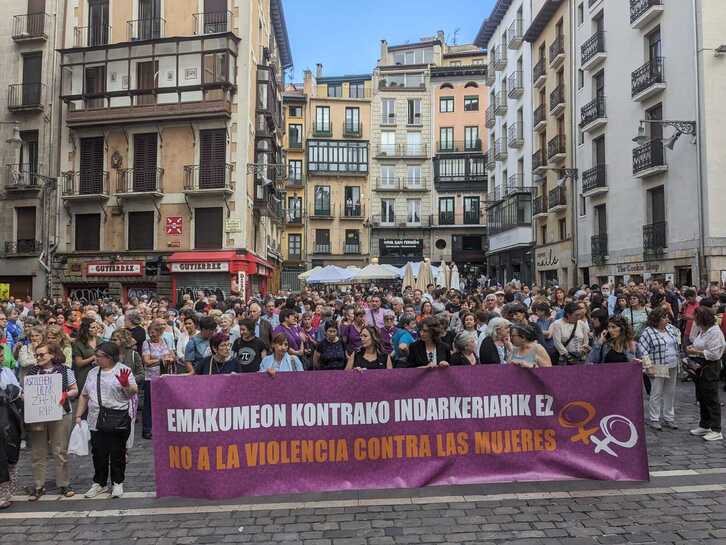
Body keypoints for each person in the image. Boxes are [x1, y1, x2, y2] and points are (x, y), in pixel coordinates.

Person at [76, 342, 138, 499]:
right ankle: (100, 483)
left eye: (99, 356)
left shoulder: (124, 370)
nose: (95, 359)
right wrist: (78, 415)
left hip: (118, 416)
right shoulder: (93, 373)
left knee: (117, 452)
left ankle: (117, 482)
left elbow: (132, 392)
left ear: (109, 357)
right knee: (98, 453)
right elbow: (84, 395)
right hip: (96, 418)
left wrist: (125, 385)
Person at [26, 343, 79, 500]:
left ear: (52, 355)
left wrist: (66, 394)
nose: (39, 358)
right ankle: (38, 485)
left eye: (42, 354)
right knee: (38, 451)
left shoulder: (65, 370)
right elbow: (27, 390)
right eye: (37, 355)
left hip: (60, 413)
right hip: (38, 415)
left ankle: (64, 483)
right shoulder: (32, 371)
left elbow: (75, 389)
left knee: (60, 450)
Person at [638, 307, 681, 431]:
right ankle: (654, 418)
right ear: (656, 319)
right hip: (658, 364)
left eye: (667, 317)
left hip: (672, 364)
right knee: (656, 392)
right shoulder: (648, 332)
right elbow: (643, 350)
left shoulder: (671, 329)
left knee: (670, 392)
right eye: (664, 317)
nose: (667, 319)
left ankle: (669, 417)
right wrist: (648, 366)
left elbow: (677, 340)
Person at [688, 306, 726, 441]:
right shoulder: (703, 331)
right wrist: (693, 348)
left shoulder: (714, 332)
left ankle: (716, 429)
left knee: (711, 397)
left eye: (696, 317)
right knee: (702, 396)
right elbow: (700, 344)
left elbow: (714, 354)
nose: (694, 319)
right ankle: (705, 424)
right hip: (700, 366)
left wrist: (696, 352)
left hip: (710, 367)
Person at [140, 323, 174, 439]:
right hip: (151, 378)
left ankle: (162, 427)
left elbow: (171, 355)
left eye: (154, 333)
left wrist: (168, 359)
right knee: (149, 404)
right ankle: (147, 429)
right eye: (150, 333)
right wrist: (161, 359)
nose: (151, 335)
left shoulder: (164, 341)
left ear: (160, 333)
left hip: (164, 377)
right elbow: (146, 361)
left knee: (163, 403)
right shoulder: (147, 343)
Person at [0, 364, 22, 510]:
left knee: (9, 453)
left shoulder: (7, 371)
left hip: (7, 418)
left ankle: (6, 493)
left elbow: (18, 390)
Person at [72, 318, 99, 394]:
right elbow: (79, 363)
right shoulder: (79, 343)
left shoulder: (99, 340)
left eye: (97, 327)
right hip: (84, 375)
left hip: (98, 374)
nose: (96, 329)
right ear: (86, 329)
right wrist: (93, 357)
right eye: (93, 327)